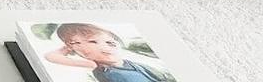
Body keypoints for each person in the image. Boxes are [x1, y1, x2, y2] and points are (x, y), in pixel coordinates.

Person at [43, 23, 172, 82]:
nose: (109, 46)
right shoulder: (94, 65)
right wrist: (67, 48)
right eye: (93, 42)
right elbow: (50, 56)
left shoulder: (129, 63)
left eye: (110, 41)